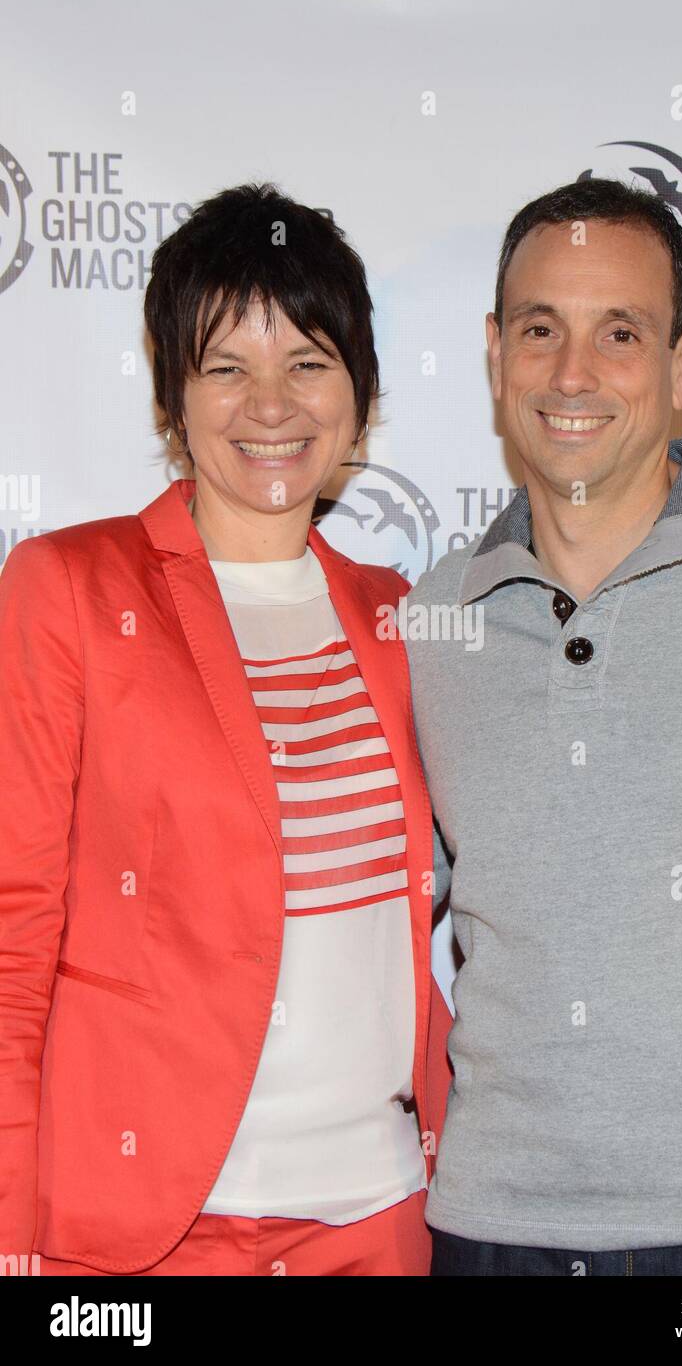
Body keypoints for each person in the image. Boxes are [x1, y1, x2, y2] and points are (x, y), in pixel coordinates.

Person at [403, 177, 682, 1276]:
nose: (572, 374)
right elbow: (364, 896)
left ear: (681, 361)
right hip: (494, 1224)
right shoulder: (427, 619)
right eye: (539, 329)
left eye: (620, 331)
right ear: (492, 350)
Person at [0, 183, 452, 1277]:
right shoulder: (69, 587)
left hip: (380, 1211)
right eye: (224, 367)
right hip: (148, 1227)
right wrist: (10, 1227)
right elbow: (15, 928)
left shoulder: (402, 614)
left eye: (307, 362)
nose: (271, 405)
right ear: (171, 397)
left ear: (360, 391)